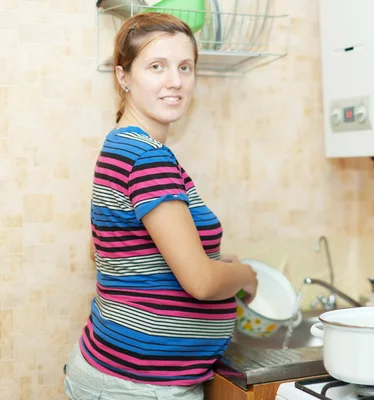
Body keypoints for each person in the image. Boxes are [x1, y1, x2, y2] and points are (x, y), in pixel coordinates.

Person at [63, 12, 258, 400]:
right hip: (137, 388)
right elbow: (201, 284)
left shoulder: (120, 144)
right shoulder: (147, 157)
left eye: (185, 67)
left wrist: (207, 258)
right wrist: (244, 274)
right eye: (157, 66)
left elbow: (106, 248)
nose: (176, 81)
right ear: (123, 77)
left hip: (119, 378)